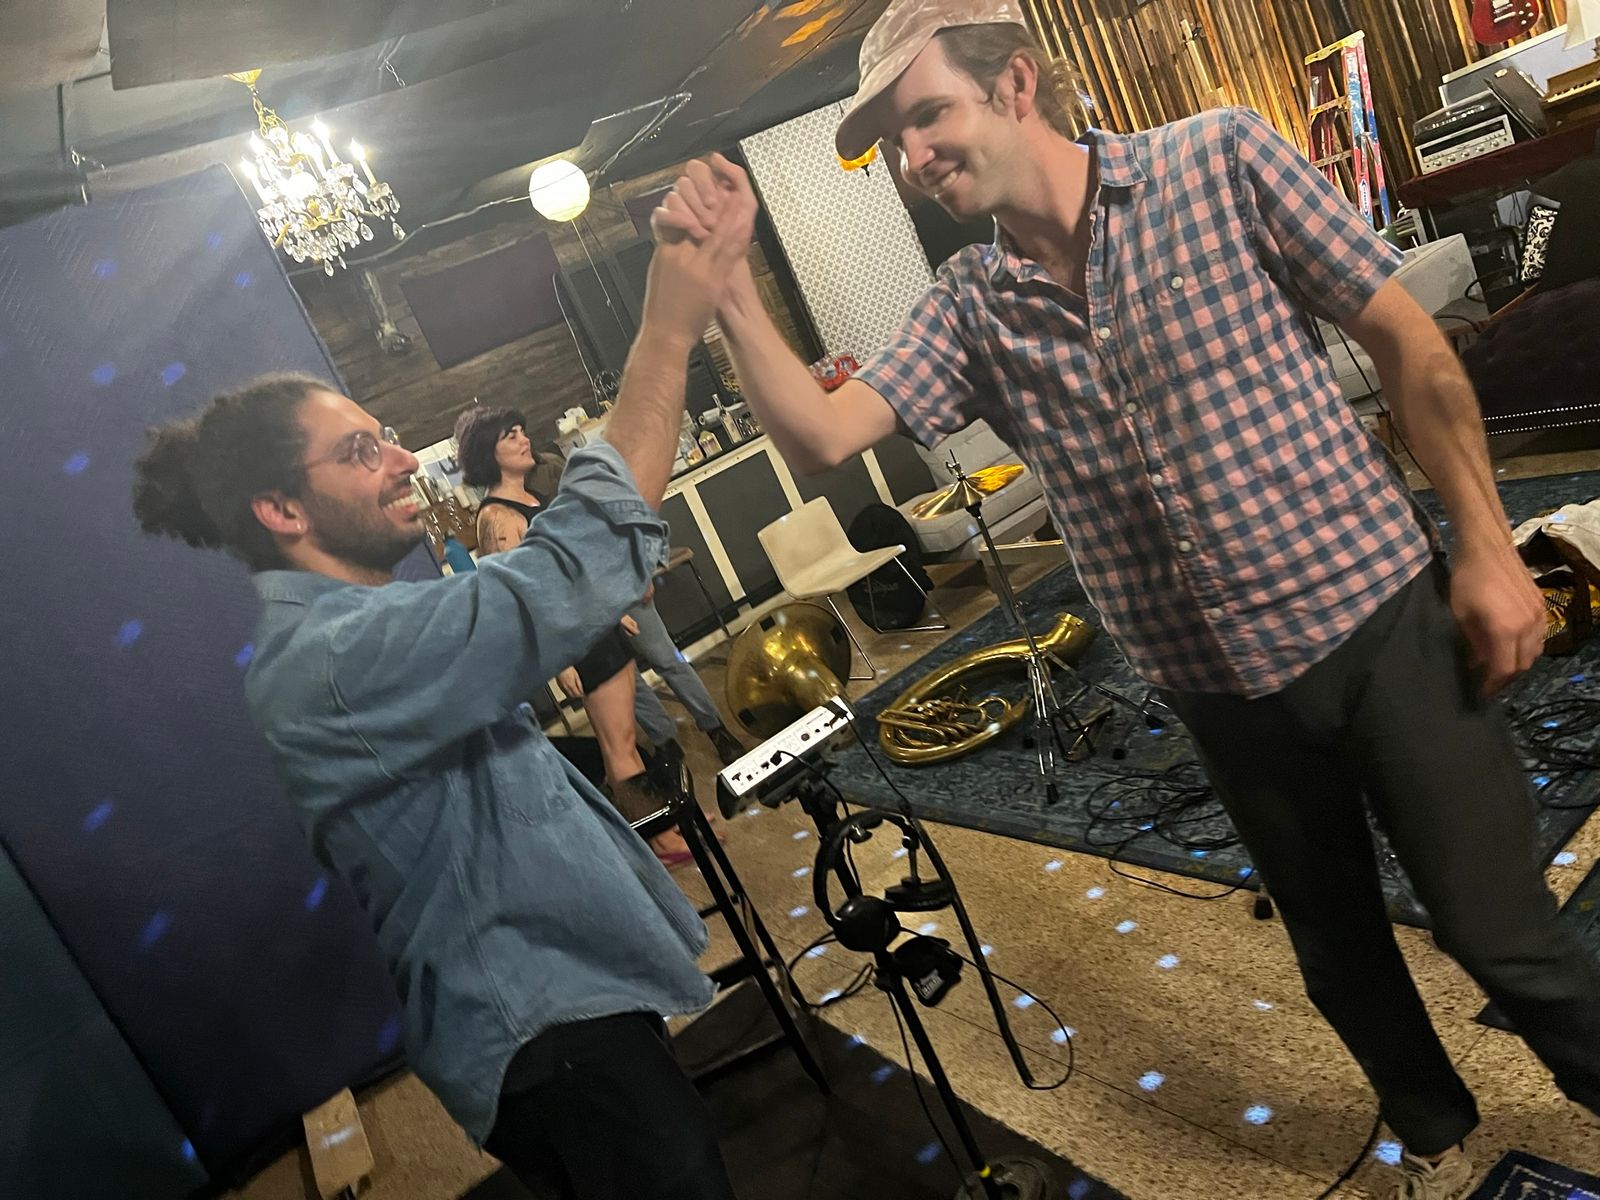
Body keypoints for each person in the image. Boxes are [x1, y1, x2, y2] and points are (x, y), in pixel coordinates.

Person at [655, 5, 1600, 1197]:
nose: (911, 157)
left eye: (926, 115)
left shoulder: (1218, 157)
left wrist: (1487, 547)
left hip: (1376, 623)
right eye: (892, 140)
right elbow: (822, 435)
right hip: (1218, 692)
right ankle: (1434, 1135)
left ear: (1015, 85)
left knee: (1497, 928)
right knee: (1337, 954)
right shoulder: (969, 302)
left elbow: (1407, 340)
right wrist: (731, 290)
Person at [129, 164, 756, 1200]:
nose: (398, 461)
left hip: (564, 1014)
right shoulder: (333, 658)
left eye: (385, 437)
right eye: (360, 450)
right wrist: (668, 328)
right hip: (547, 1036)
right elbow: (571, 570)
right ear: (282, 510)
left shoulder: (350, 630)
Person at [455, 404, 695, 865]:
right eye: (510, 435)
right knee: (618, 746)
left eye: (522, 430)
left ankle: (657, 828)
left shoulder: (530, 500)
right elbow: (525, 597)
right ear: (489, 453)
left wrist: (610, 613)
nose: (524, 439)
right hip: (578, 644)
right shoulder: (497, 518)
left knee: (624, 740)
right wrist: (561, 659)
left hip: (594, 630)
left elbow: (566, 574)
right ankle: (660, 841)